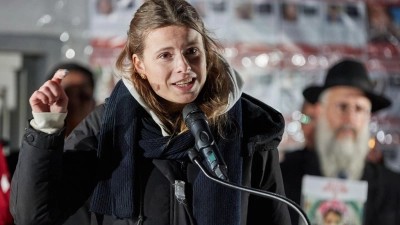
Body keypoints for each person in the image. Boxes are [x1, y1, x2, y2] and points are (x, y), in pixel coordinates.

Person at [10, 1, 291, 225]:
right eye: (165, 55)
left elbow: (274, 218)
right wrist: (46, 127)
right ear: (139, 64)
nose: (185, 66)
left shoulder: (250, 127)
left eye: (192, 51)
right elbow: (35, 215)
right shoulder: (107, 124)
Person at [280, 58, 400, 225]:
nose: (350, 118)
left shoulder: (392, 189)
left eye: (359, 109)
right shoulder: (282, 180)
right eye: (341, 106)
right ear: (320, 111)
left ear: (368, 116)